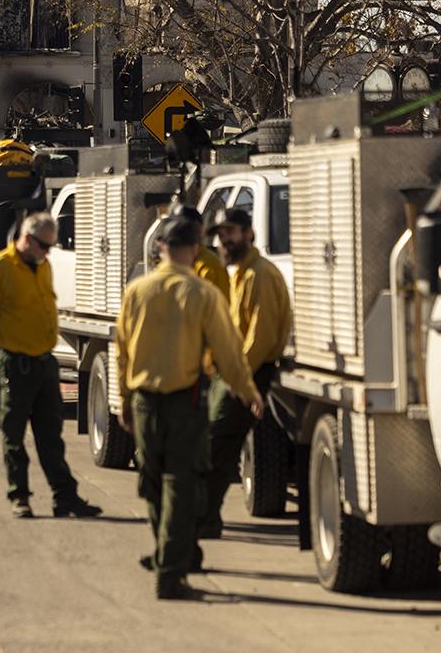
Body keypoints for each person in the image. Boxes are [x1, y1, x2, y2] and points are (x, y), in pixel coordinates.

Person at [115, 215, 263, 600]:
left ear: (161, 248)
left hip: (145, 403)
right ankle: (170, 573)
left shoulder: (137, 291)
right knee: (181, 486)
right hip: (185, 402)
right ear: (195, 250)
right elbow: (228, 352)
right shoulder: (203, 294)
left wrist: (124, 400)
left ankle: (166, 556)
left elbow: (122, 352)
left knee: (152, 483)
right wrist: (248, 391)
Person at [0, 212, 102, 520]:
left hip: (45, 362)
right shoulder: (0, 268)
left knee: (51, 435)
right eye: (45, 246)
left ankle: (64, 498)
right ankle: (20, 496)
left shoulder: (42, 266)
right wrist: (7, 345)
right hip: (17, 364)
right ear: (28, 239)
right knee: (13, 434)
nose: (49, 252)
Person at [199, 207, 292, 539]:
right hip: (234, 373)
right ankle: (205, 518)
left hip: (248, 375)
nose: (225, 239)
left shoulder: (259, 276)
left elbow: (260, 337)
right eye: (222, 233)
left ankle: (204, 520)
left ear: (250, 233)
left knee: (216, 449)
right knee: (216, 450)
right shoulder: (239, 272)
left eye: (233, 232)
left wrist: (240, 380)